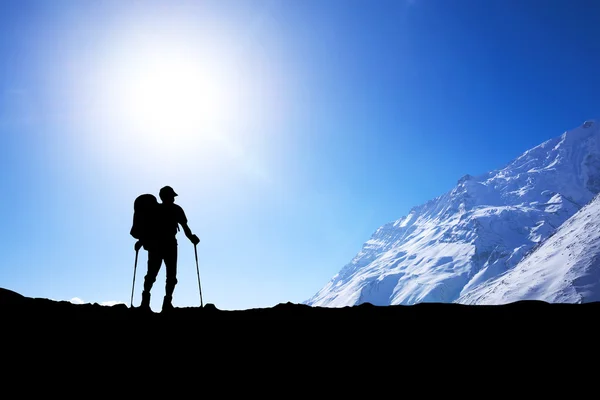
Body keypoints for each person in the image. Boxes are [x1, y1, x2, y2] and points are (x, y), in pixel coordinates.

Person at [135, 185, 200, 312]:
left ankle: (162, 304)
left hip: (163, 245)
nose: (173, 199)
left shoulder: (167, 209)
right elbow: (149, 228)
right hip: (163, 245)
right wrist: (141, 241)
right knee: (154, 275)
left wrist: (191, 237)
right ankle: (150, 304)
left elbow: (185, 227)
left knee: (168, 276)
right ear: (165, 197)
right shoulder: (166, 210)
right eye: (171, 196)